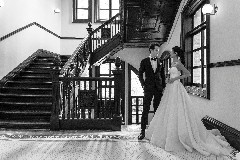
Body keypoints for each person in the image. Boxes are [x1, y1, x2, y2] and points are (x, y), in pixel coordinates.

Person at [145, 46, 235, 158]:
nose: (171, 53)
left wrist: (174, 79)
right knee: (168, 110)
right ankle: (168, 135)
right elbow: (171, 74)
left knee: (177, 110)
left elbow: (188, 74)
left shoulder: (178, 63)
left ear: (176, 53)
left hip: (176, 87)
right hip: (170, 88)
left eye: (172, 52)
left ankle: (179, 137)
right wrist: (169, 79)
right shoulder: (173, 63)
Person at [138, 43, 166, 140]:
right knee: (145, 109)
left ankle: (156, 132)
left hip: (158, 88)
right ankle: (142, 132)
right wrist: (143, 84)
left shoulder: (160, 61)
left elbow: (162, 75)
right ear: (151, 50)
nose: (158, 52)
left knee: (157, 110)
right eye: (156, 50)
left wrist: (163, 87)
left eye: (158, 50)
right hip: (148, 88)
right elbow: (140, 73)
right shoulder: (144, 61)